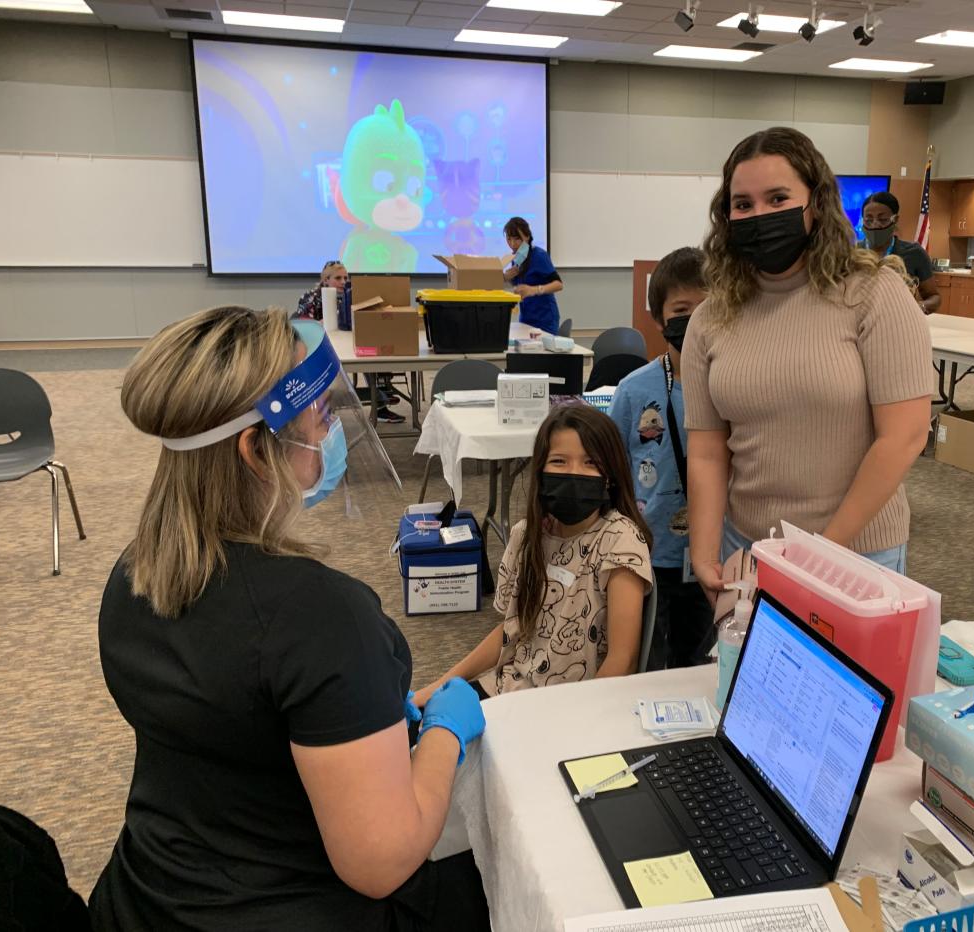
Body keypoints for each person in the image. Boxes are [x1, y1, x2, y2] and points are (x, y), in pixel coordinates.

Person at [91, 307, 489, 931]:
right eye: (324, 417)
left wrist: (355, 713)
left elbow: (234, 719)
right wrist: (444, 733)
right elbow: (380, 862)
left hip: (145, 900)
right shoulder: (320, 614)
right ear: (256, 448)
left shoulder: (135, 575)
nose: (332, 434)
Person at [683, 126, 932, 593]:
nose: (759, 215)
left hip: (855, 551)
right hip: (747, 547)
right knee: (747, 669)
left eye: (778, 198)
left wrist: (819, 554)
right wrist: (704, 549)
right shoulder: (710, 319)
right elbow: (707, 451)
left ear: (815, 204)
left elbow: (904, 436)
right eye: (743, 204)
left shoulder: (874, 294)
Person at [414, 405, 652, 703]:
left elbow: (622, 661)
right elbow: (510, 630)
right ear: (540, 470)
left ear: (611, 475)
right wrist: (435, 688)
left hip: (570, 707)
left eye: (591, 462)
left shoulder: (620, 541)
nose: (574, 473)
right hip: (509, 687)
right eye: (559, 461)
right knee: (413, 726)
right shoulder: (527, 535)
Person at [608, 246, 714, 668]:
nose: (696, 320)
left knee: (699, 659)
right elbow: (612, 466)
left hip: (713, 551)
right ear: (659, 317)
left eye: (708, 307)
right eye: (683, 308)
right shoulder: (635, 389)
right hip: (648, 552)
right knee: (645, 659)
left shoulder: (733, 385)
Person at [297, 259, 406, 424]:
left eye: (346, 278)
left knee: (368, 357)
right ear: (325, 280)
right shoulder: (311, 298)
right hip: (317, 346)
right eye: (338, 278)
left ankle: (380, 406)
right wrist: (322, 322)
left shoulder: (349, 296)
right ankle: (321, 414)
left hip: (345, 341)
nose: (343, 282)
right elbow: (302, 327)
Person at [859, 192, 942, 314]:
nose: (875, 224)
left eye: (882, 219)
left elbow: (934, 297)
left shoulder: (914, 252)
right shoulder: (851, 252)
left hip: (900, 323)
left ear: (895, 219)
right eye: (868, 220)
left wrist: (918, 308)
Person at [503, 217, 563, 334]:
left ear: (527, 237)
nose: (512, 244)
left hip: (544, 318)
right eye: (509, 239)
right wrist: (506, 278)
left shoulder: (539, 255)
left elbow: (558, 284)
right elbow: (520, 286)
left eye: (517, 239)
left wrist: (534, 290)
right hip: (526, 317)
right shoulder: (516, 259)